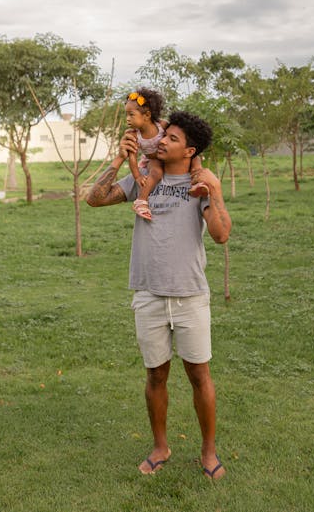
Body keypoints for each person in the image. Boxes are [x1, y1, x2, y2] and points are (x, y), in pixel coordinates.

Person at [87, 109, 232, 480]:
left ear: (190, 150)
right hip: (149, 294)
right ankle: (160, 446)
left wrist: (215, 191)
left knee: (200, 374)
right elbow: (95, 198)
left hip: (190, 295)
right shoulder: (144, 178)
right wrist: (120, 156)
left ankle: (209, 451)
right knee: (156, 375)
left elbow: (220, 234)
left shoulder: (198, 185)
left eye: (172, 138)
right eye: (164, 135)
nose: (162, 141)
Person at [125, 87, 208, 221]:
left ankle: (197, 182)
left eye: (131, 114)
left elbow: (178, 135)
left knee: (195, 158)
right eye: (127, 115)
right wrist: (137, 176)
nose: (127, 119)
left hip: (167, 155)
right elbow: (132, 158)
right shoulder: (133, 135)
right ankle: (141, 201)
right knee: (156, 172)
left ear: (147, 115)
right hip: (153, 158)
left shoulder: (162, 125)